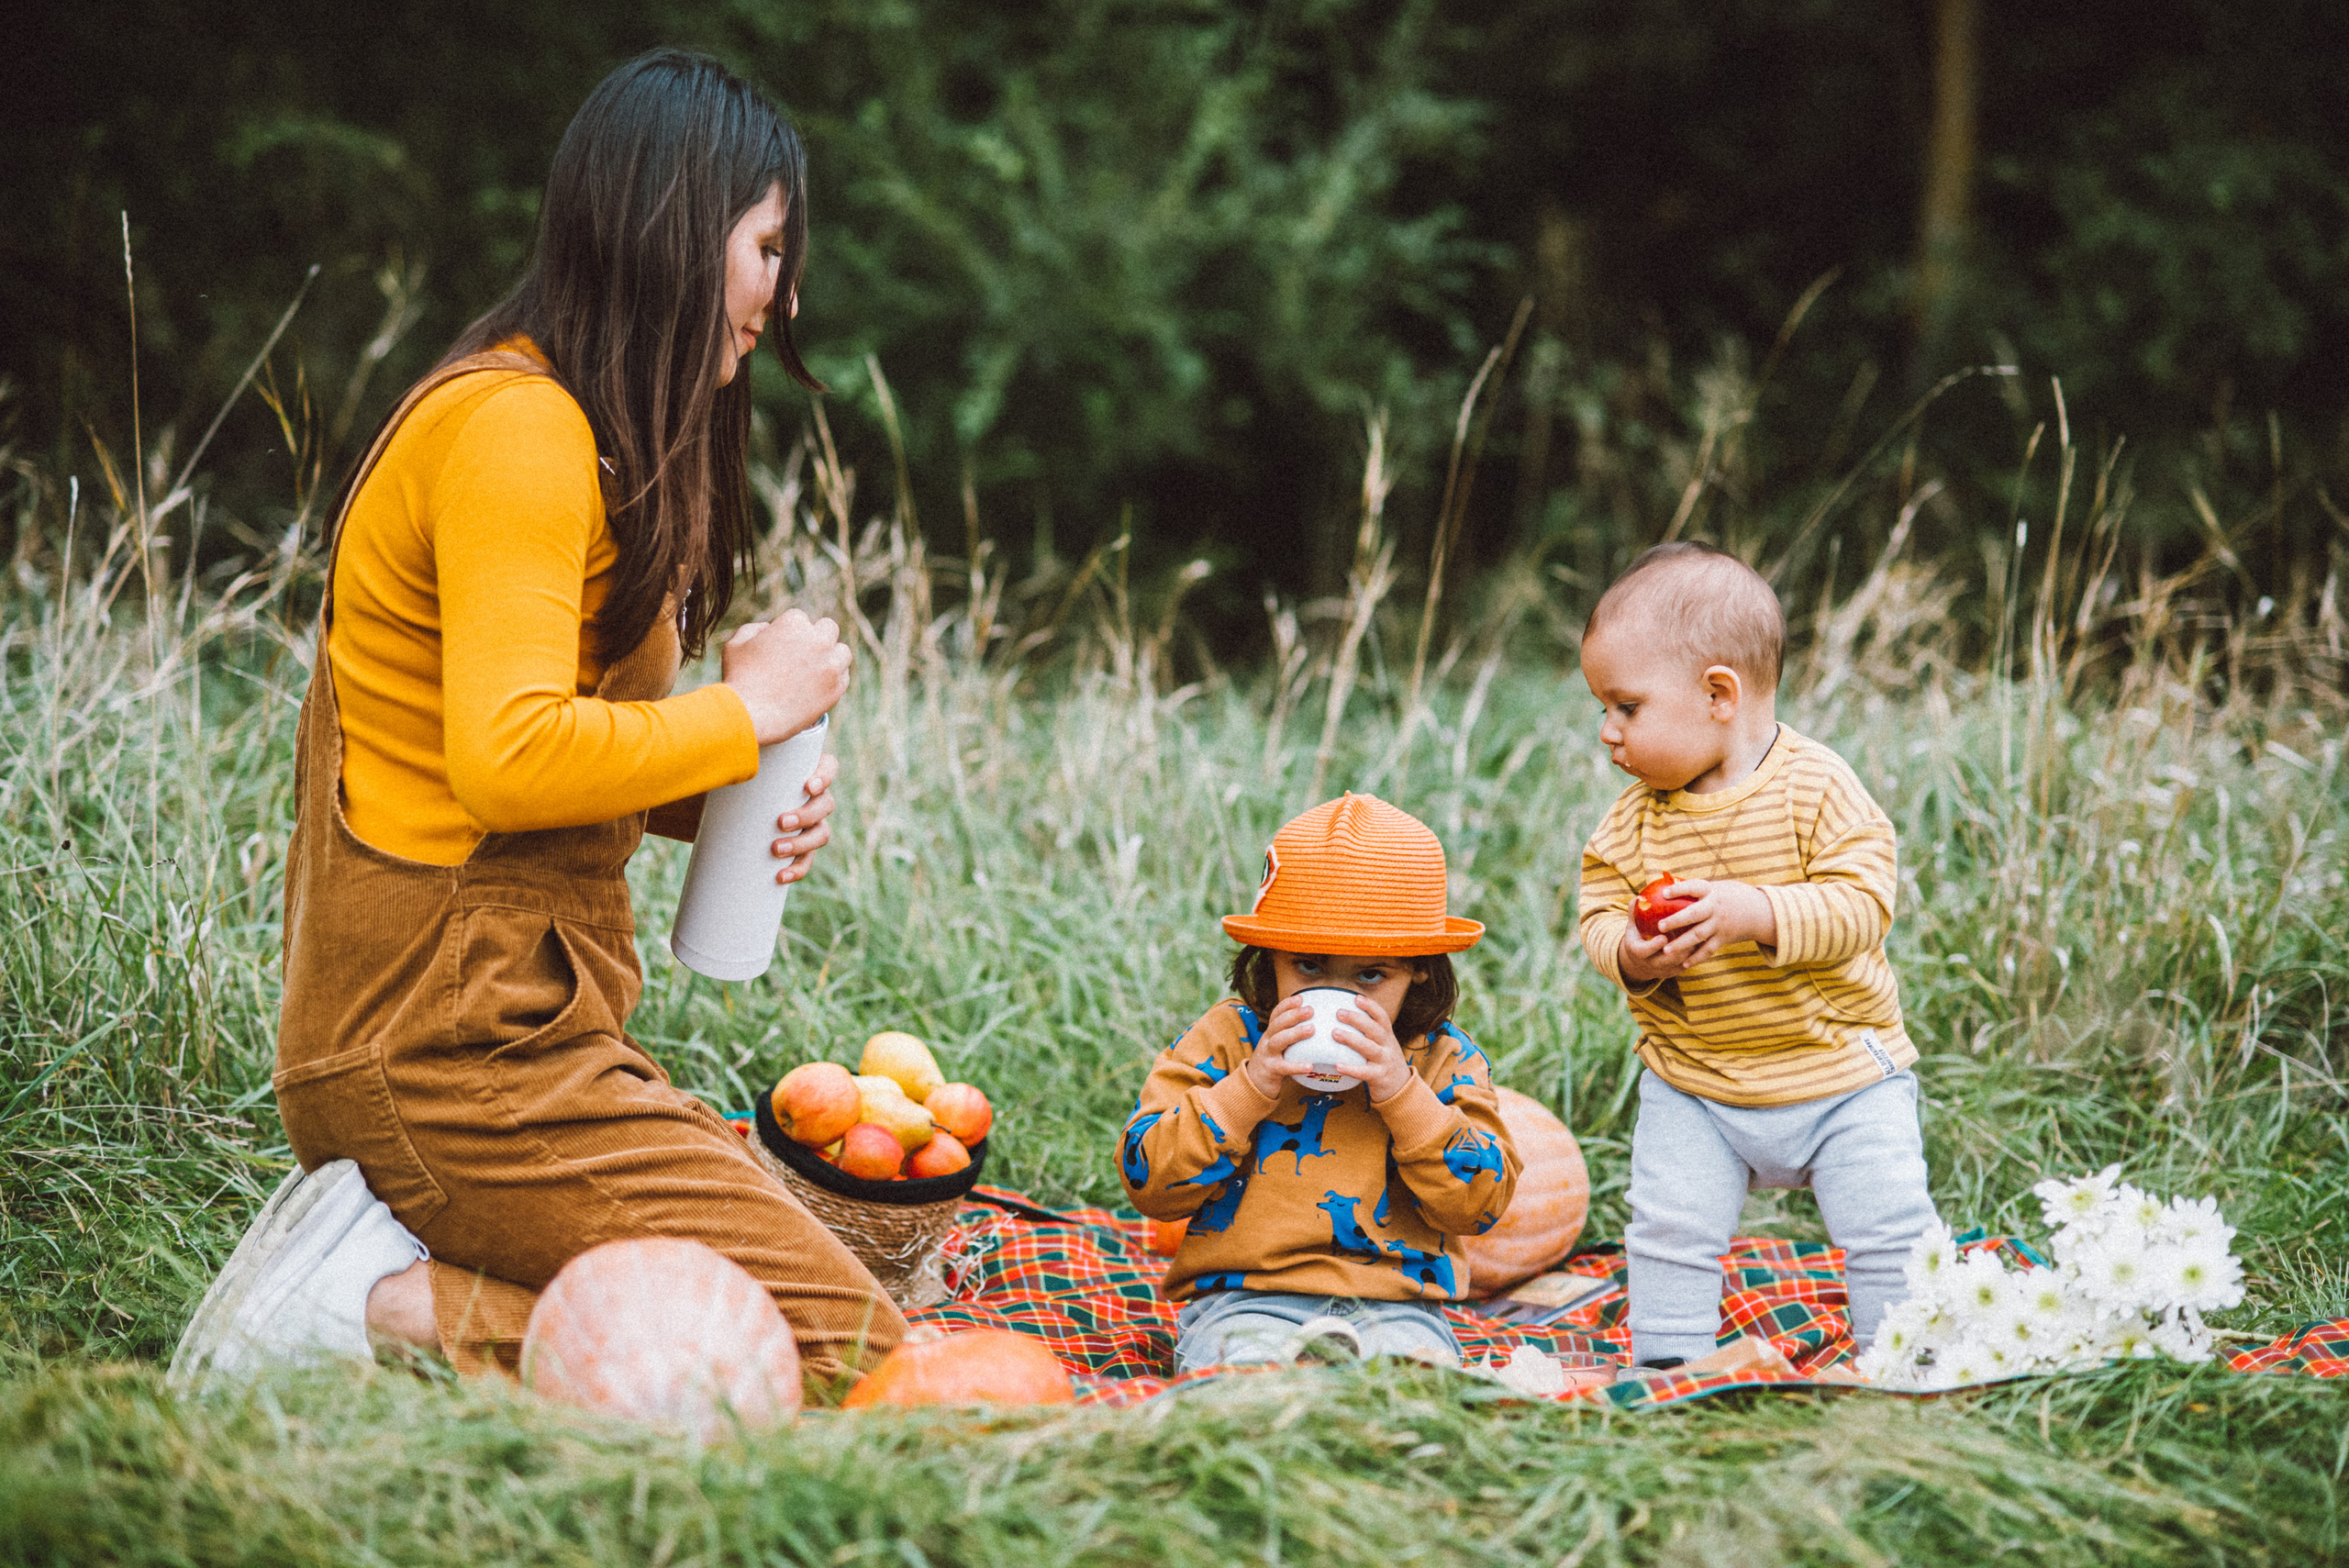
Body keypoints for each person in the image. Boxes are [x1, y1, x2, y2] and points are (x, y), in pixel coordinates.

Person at [170, 50, 907, 1392]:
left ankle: (412, 1267)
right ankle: (373, 1305)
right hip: (441, 1054)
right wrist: (739, 714)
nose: (784, 295)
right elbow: (507, 760)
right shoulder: (518, 431)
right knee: (844, 1348)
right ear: (676, 234)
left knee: (807, 1295)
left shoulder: (582, 433)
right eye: (765, 248)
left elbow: (523, 753)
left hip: (517, 1033)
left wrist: (723, 795)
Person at [1575, 541, 1938, 1377]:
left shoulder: (1818, 788)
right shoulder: (1633, 822)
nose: (1607, 731)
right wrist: (1632, 954)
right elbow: (1596, 911)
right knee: (1668, 1224)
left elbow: (1864, 906)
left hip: (1842, 1067)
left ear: (1717, 695)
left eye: (1626, 706)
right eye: (1602, 707)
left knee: (1888, 1223)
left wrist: (1756, 911)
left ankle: (1904, 1359)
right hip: (1696, 1077)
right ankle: (1670, 1361)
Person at [1119, 794, 1519, 1373]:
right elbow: (1149, 1182)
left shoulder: (1443, 1059)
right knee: (1239, 1374)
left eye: (1370, 974)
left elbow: (1479, 1206)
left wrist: (1400, 1092)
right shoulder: (1226, 1040)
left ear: (1420, 968)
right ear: (1268, 956)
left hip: (1399, 1306)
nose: (1336, 995)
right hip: (1243, 1299)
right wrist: (1250, 1086)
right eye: (1308, 965)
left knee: (1419, 1386)